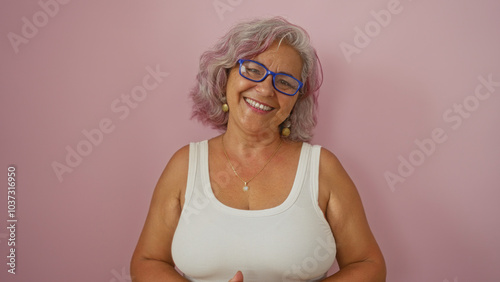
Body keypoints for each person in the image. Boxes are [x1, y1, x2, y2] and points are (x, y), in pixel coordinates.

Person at [130, 17, 386, 281]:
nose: (265, 89)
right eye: (252, 70)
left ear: (296, 100)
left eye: (285, 82)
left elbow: (369, 264)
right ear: (225, 75)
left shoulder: (322, 168)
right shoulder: (184, 165)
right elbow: (148, 261)